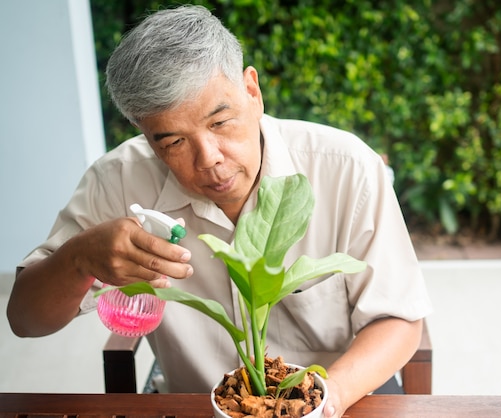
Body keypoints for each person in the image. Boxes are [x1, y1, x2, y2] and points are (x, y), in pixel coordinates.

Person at [7, 5, 431, 417]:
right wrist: (79, 258)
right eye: (172, 142)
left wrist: (325, 401)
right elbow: (25, 319)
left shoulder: (345, 168)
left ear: (252, 90)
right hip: (194, 405)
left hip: (340, 398)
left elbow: (399, 319)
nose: (208, 158)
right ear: (146, 135)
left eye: (220, 123)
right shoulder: (117, 180)